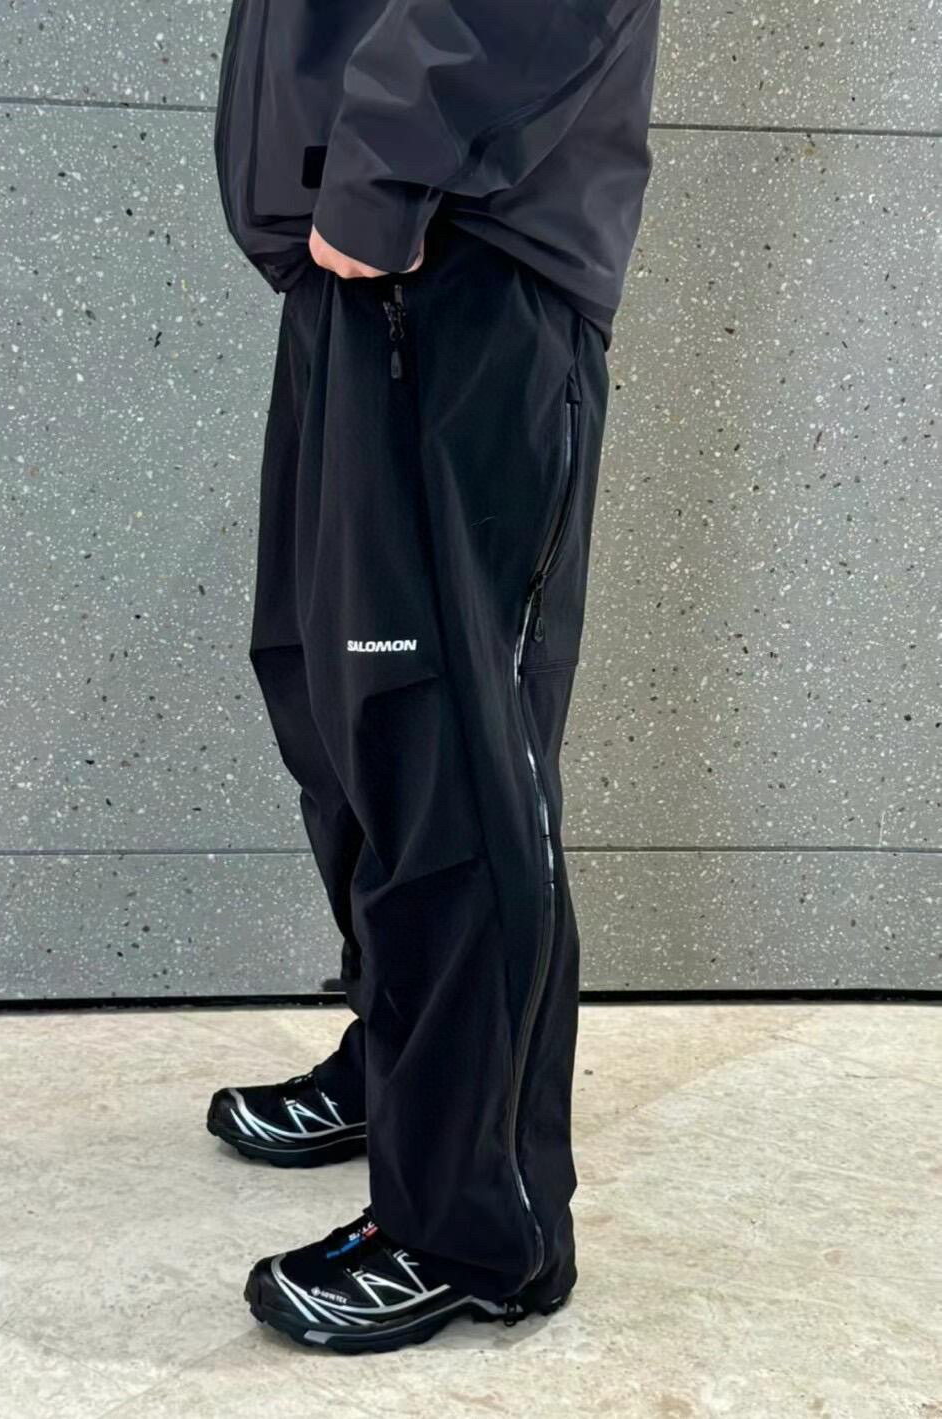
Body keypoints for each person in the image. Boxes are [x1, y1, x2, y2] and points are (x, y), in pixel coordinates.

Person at [207, 0, 661, 1353]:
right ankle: (401, 1072)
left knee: (447, 753)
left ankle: (476, 1224)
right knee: (338, 717)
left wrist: (389, 167)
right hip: (361, 256)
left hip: (464, 247)